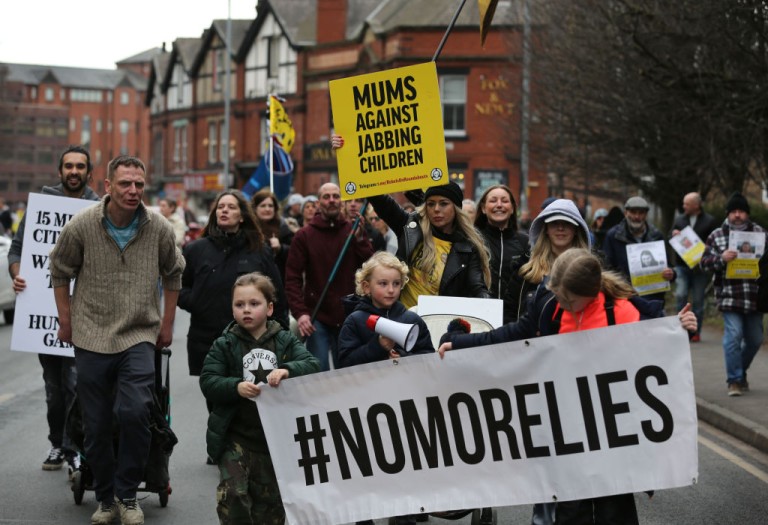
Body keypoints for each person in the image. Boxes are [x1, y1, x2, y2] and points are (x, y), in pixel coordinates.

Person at [438, 248, 697, 525]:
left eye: (568, 299)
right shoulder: (550, 304)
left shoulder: (621, 311)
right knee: (571, 512)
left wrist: (681, 328)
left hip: (613, 433)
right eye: (556, 293)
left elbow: (660, 346)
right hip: (567, 432)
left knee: (615, 510)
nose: (561, 301)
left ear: (592, 292)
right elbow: (512, 336)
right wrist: (460, 343)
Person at [49, 155, 184, 525]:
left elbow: (174, 274)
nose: (133, 191)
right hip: (91, 334)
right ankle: (105, 499)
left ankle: (128, 496)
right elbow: (59, 270)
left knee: (136, 410)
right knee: (95, 422)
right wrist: (66, 320)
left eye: (139, 184)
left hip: (138, 333)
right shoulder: (82, 225)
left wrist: (166, 324)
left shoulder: (157, 226)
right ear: (108, 186)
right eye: (125, 183)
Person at [200, 272, 320, 525]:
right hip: (235, 437)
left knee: (270, 507)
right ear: (232, 309)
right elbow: (209, 381)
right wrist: (235, 386)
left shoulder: (285, 340)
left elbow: (312, 365)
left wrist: (288, 370)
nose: (246, 310)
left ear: (270, 308)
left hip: (274, 441)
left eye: (254, 304)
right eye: (239, 304)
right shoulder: (225, 344)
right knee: (234, 495)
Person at [8, 145, 99, 473]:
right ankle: (57, 445)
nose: (73, 171)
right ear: (59, 171)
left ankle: (76, 448)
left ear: (89, 173)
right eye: (68, 166)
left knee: (77, 385)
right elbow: (16, 251)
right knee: (54, 389)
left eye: (80, 167)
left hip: (85, 318)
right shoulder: (39, 206)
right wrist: (18, 274)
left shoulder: (100, 209)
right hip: (44, 321)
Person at [332, 134, 491, 308]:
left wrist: (489, 308)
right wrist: (347, 154)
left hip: (439, 325)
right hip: (401, 320)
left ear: (456, 209)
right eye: (431, 204)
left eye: (444, 204)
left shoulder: (468, 248)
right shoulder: (410, 227)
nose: (436, 209)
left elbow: (478, 288)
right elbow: (376, 195)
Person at [338, 252, 434, 525]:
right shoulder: (355, 321)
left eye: (395, 283)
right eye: (383, 283)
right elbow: (345, 364)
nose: (390, 290)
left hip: (402, 408)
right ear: (366, 286)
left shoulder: (412, 320)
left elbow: (427, 357)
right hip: (365, 406)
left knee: (403, 469)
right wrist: (376, 349)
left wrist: (404, 360)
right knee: (366, 469)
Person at [179, 190, 288, 380]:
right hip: (208, 340)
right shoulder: (196, 249)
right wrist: (197, 301)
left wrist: (282, 338)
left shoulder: (259, 250)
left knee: (252, 402)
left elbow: (276, 294)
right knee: (218, 404)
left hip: (253, 341)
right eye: (220, 207)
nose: (224, 211)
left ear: (242, 216)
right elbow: (179, 287)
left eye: (231, 207)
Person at [285, 183, 375, 371]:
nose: (332, 200)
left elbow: (371, 267)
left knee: (349, 374)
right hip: (318, 316)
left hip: (349, 315)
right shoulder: (304, 235)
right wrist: (300, 313)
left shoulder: (353, 230)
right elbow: (292, 277)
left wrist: (360, 240)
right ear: (319, 202)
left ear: (341, 201)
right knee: (319, 373)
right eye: (326, 197)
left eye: (335, 196)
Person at [700, 192, 766, 397]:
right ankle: (735, 380)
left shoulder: (761, 234)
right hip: (729, 294)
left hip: (755, 296)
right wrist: (721, 258)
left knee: (755, 340)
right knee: (734, 336)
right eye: (734, 212)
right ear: (728, 214)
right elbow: (704, 263)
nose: (737, 215)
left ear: (747, 214)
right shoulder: (716, 235)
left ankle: (740, 370)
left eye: (741, 211)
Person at [603, 196, 675, 304]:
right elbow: (607, 268)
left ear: (646, 215)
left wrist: (671, 273)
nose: (637, 216)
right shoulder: (613, 236)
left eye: (641, 213)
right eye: (633, 212)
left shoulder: (656, 236)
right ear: (626, 213)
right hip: (626, 298)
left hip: (653, 300)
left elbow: (669, 266)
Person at [474, 184, 530, 323]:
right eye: (493, 201)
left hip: (514, 321)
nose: (499, 205)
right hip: (478, 317)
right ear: (483, 208)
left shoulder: (526, 243)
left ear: (512, 209)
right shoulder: (472, 240)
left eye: (504, 201)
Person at [669, 192, 718, 342]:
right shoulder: (679, 219)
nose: (684, 206)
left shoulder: (710, 221)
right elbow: (670, 236)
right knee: (681, 295)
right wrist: (673, 234)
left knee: (698, 300)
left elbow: (715, 242)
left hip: (700, 268)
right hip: (682, 266)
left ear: (696, 205)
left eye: (687, 204)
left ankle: (696, 331)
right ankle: (680, 329)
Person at [251, 189, 295, 281]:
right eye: (263, 206)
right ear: (255, 208)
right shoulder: (248, 228)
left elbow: (295, 252)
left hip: (279, 278)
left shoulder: (283, 227)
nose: (267, 209)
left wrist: (280, 248)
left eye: (270, 206)